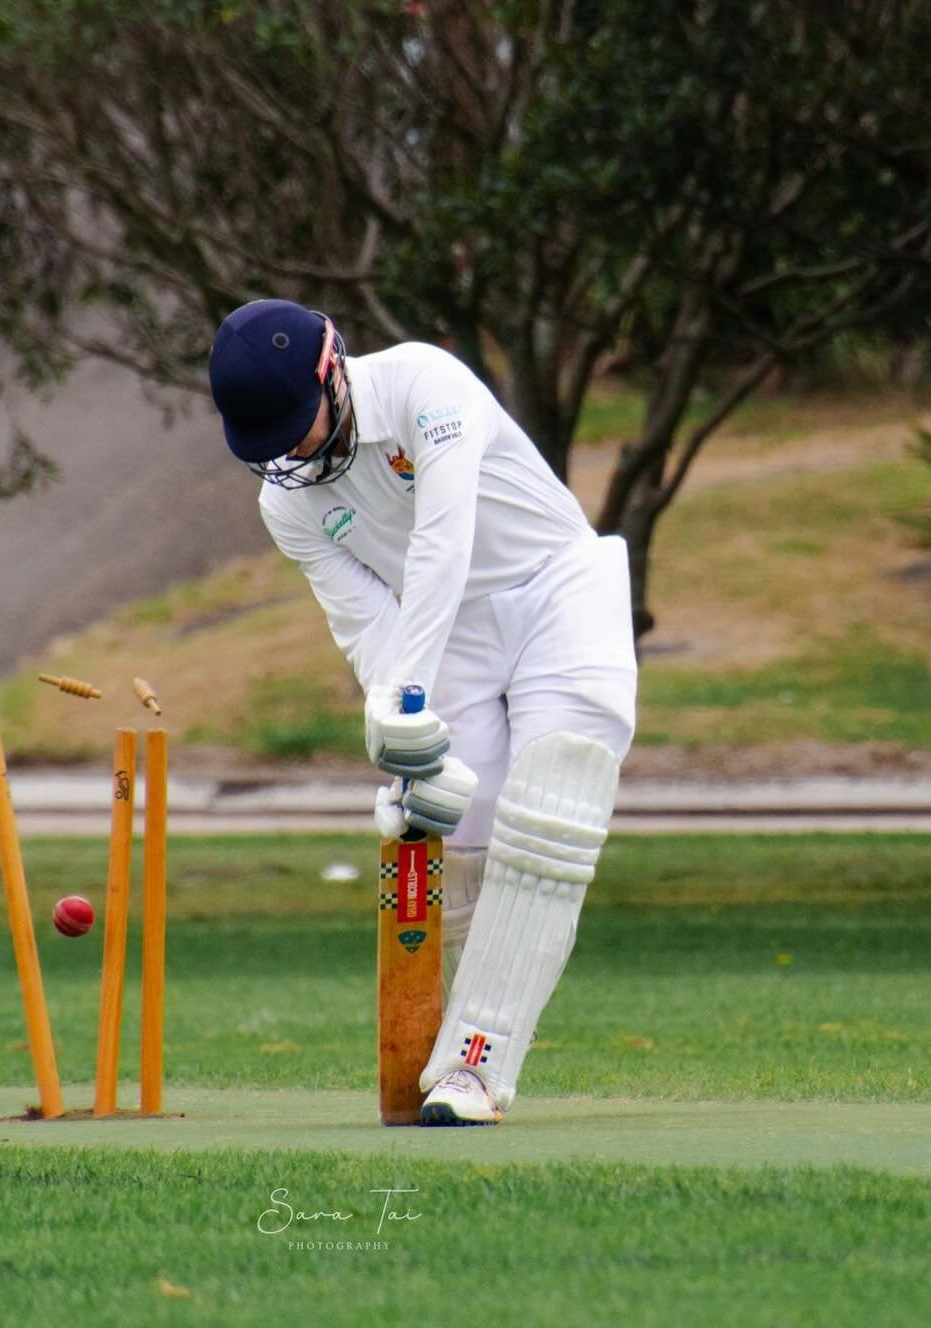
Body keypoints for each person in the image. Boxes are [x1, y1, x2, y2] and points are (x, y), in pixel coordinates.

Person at [208, 299, 637, 1125]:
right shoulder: (285, 503)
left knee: (556, 799)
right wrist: (399, 737)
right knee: (456, 834)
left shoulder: (424, 385)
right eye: (272, 444)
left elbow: (446, 540)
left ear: (332, 369)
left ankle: (477, 1066)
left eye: (299, 426)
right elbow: (367, 622)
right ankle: (459, 1051)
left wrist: (409, 700)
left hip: (558, 589)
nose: (293, 453)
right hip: (448, 637)